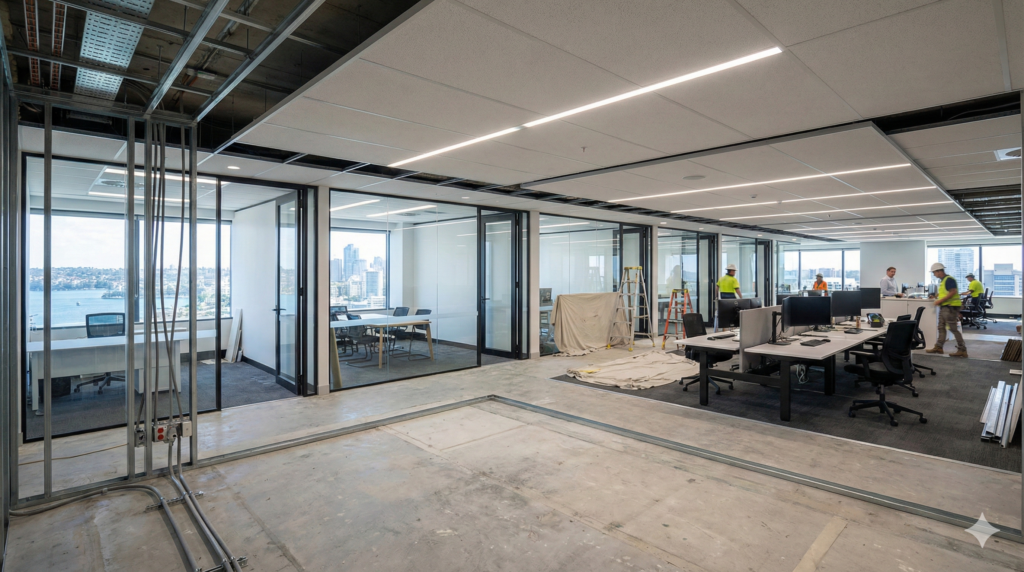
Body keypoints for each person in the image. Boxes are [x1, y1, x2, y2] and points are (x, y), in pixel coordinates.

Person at [925, 262, 967, 358]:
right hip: (945, 306)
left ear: (939, 271)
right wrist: (935, 296)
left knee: (953, 329)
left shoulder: (949, 279)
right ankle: (938, 347)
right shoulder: (943, 280)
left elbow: (953, 292)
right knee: (941, 327)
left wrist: (939, 301)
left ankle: (962, 349)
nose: (934, 274)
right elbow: (944, 292)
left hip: (950, 307)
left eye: (934, 272)